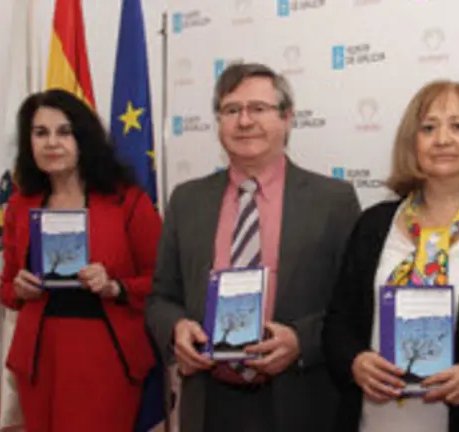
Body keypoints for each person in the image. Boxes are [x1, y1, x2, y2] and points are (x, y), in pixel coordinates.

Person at [145, 62, 361, 432]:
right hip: (209, 402)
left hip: (301, 400)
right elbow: (161, 297)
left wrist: (300, 341)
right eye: (231, 110)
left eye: (258, 109)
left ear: (288, 117)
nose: (244, 121)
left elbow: (354, 305)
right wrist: (176, 328)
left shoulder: (333, 201)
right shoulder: (186, 200)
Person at [323, 80, 459, 431]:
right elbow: (337, 321)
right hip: (373, 420)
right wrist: (354, 361)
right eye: (428, 128)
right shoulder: (374, 224)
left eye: (458, 126)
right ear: (412, 143)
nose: (443, 139)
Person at [0, 89, 162, 431]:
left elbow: (161, 281)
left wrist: (115, 286)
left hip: (106, 357)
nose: (51, 143)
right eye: (40, 133)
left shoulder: (127, 201)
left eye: (64, 131)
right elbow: (7, 288)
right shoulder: (19, 205)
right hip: (39, 359)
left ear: (84, 138)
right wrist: (18, 288)